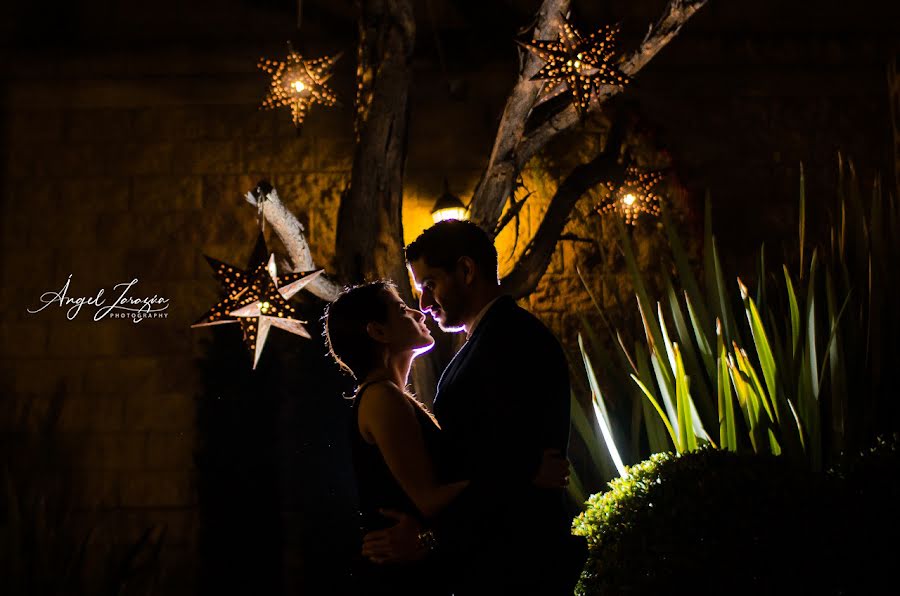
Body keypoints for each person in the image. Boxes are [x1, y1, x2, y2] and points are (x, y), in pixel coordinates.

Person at [361, 219, 587, 595]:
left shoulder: (509, 341)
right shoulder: (492, 339)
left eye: (430, 284)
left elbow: (495, 467)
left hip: (515, 569)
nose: (424, 303)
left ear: (466, 270)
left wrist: (429, 538)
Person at [324, 280, 568, 595]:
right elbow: (431, 499)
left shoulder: (391, 396)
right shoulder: (382, 398)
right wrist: (523, 473)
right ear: (378, 332)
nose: (419, 313)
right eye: (401, 309)